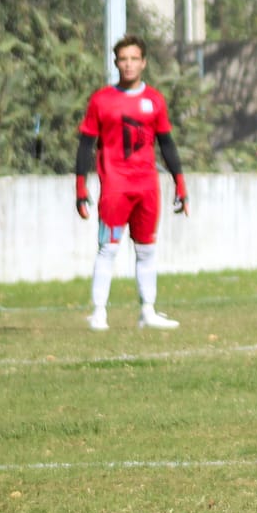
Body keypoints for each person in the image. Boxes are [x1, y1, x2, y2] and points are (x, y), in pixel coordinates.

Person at [76, 34, 188, 331]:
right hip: (114, 188)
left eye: (134, 58)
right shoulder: (101, 100)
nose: (128, 64)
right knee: (108, 248)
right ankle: (99, 312)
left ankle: (147, 311)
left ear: (144, 62)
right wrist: (80, 188)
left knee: (146, 249)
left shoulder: (154, 101)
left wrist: (180, 184)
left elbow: (167, 144)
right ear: (115, 63)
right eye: (123, 59)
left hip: (147, 187)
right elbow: (86, 145)